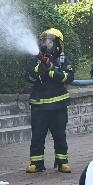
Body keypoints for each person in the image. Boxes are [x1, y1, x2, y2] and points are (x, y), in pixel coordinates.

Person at [26, 27, 75, 174]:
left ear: (58, 44)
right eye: (45, 40)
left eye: (50, 41)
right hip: (39, 106)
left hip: (58, 106)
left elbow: (69, 77)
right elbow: (29, 76)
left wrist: (53, 71)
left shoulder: (63, 60)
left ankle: (62, 162)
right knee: (37, 136)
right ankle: (36, 163)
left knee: (59, 135)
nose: (46, 43)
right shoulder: (36, 59)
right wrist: (40, 68)